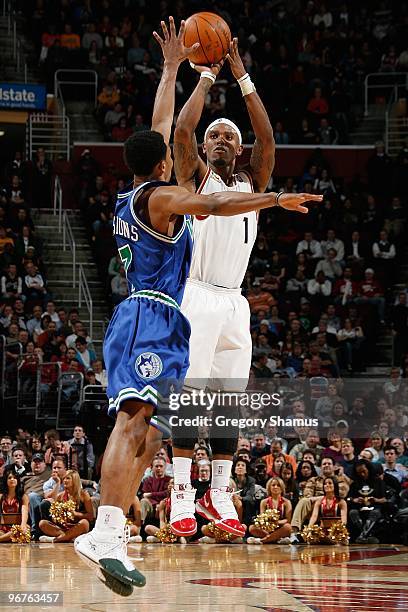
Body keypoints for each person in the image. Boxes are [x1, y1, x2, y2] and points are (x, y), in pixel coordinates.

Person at [75, 19, 322, 593]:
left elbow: (164, 124)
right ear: (165, 161)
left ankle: (117, 528)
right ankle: (106, 526)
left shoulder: (139, 187)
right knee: (135, 421)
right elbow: (209, 201)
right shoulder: (166, 194)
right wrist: (276, 198)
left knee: (154, 430)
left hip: (168, 313)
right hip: (157, 309)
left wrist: (172, 70)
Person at [39, 470, 93, 543]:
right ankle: (70, 537)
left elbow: (90, 516)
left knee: (84, 523)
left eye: (68, 478)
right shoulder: (60, 496)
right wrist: (58, 514)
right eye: (64, 478)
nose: (64, 480)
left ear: (74, 480)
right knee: (42, 523)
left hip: (78, 526)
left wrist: (75, 514)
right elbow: (56, 518)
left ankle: (56, 539)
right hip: (64, 527)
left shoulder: (84, 494)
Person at [247, 477, 292, 544]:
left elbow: (288, 520)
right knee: (251, 528)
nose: (275, 487)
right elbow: (262, 518)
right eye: (273, 485)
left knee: (288, 527)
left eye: (278, 485)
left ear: (282, 488)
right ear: (269, 487)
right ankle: (277, 539)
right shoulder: (264, 502)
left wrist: (277, 522)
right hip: (267, 529)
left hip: (280, 527)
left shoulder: (286, 502)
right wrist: (268, 523)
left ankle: (262, 540)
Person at [0, 470, 29, 542]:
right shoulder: (1, 497)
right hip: (3, 528)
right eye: (9, 478)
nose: (12, 479)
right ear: (6, 481)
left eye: (15, 478)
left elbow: (25, 512)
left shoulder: (23, 497)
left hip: (17, 527)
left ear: (18, 481)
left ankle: (2, 539)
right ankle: (5, 538)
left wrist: (23, 524)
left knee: (24, 529)